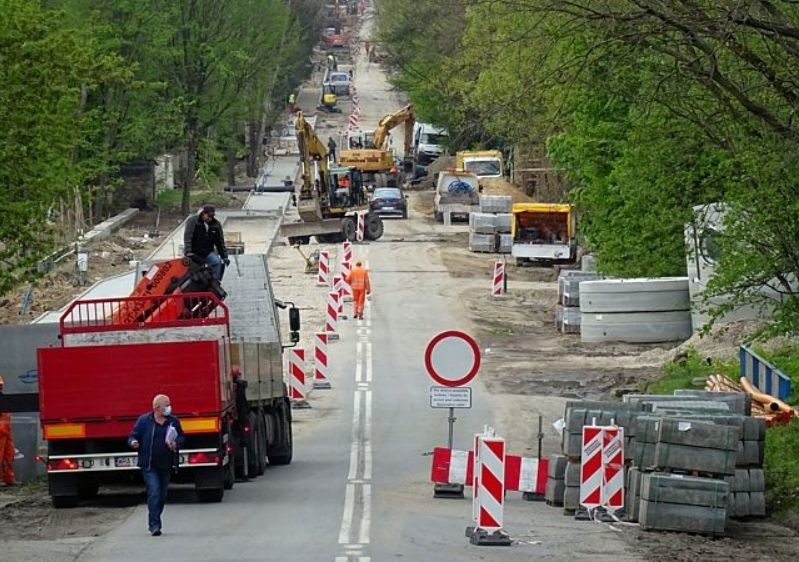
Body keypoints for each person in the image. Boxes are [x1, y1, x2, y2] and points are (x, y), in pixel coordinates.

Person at [128, 394, 185, 536]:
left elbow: (182, 437)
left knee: (162, 495)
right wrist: (133, 442)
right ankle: (154, 525)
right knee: (154, 492)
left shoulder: (173, 421)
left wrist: (176, 443)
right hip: (149, 465)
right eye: (166, 405)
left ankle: (156, 517)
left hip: (165, 464)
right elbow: (133, 436)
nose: (169, 407)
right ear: (157, 408)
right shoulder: (144, 421)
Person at [183, 205, 229, 281]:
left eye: (212, 216)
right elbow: (188, 237)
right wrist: (188, 251)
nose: (210, 219)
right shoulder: (193, 221)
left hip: (207, 252)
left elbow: (220, 241)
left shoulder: (216, 225)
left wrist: (224, 255)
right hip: (194, 252)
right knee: (189, 267)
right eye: (208, 216)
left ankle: (215, 282)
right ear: (203, 213)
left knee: (217, 263)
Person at [0, 375, 16, 486]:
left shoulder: (3, 399)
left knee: (8, 456)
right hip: (2, 432)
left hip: (5, 433)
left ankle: (8, 479)